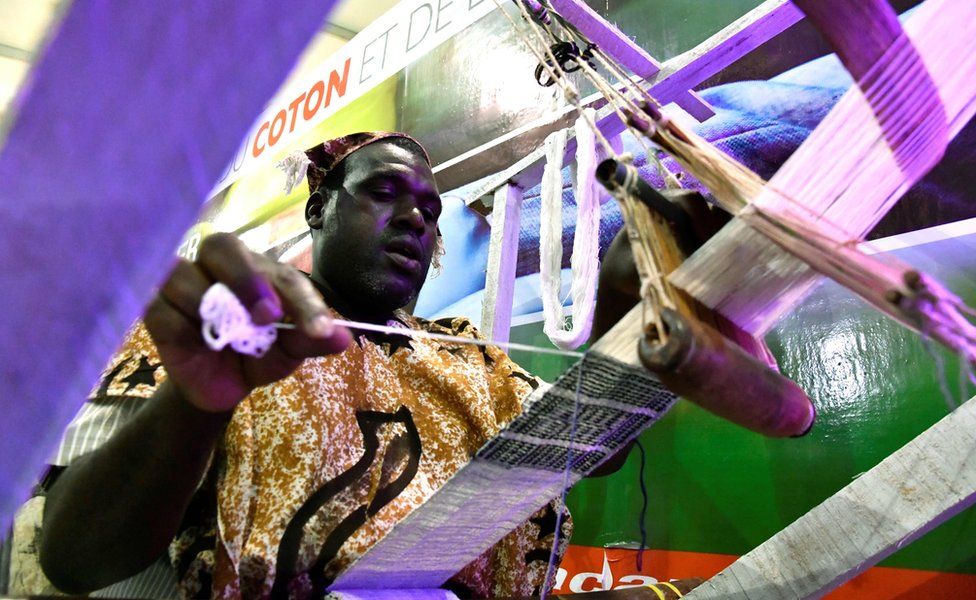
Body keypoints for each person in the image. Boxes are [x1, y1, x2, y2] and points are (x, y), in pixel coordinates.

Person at [33, 132, 630, 599]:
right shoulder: (223, 320)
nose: (414, 219)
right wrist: (193, 403)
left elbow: (598, 444)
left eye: (430, 210)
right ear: (318, 209)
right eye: (385, 192)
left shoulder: (470, 358)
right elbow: (72, 558)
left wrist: (632, 302)